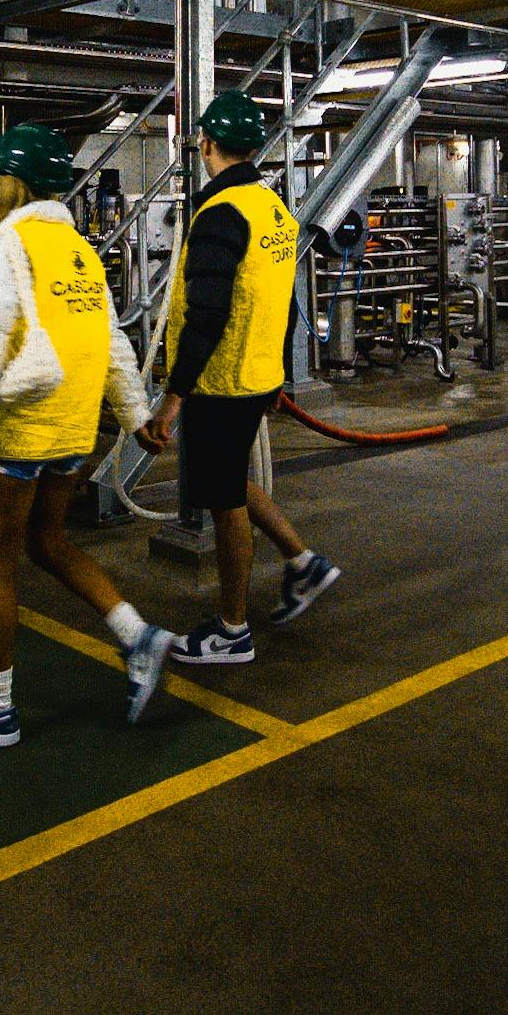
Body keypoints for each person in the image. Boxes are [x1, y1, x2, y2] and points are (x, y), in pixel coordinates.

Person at [0, 124, 170, 747]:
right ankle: (137, 636)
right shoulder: (80, 251)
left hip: (16, 433)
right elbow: (112, 340)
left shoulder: (4, 247)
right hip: (72, 430)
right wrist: (133, 412)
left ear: (17, 183)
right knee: (48, 540)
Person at [141, 91, 340, 665]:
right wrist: (276, 372)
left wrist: (174, 397)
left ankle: (232, 630)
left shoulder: (220, 214)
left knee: (224, 500)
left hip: (222, 381)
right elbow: (277, 298)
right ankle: (303, 563)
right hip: (255, 374)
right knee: (229, 478)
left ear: (206, 144)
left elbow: (207, 313)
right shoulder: (273, 208)